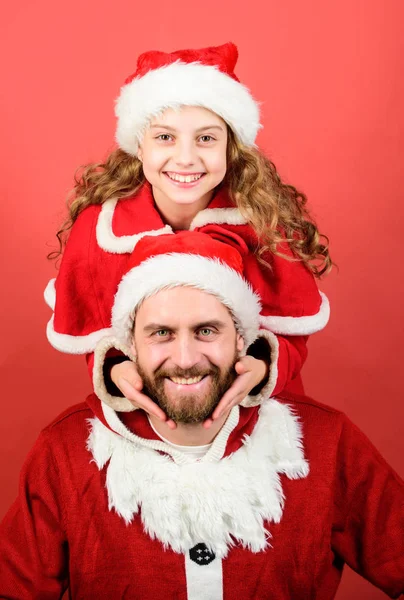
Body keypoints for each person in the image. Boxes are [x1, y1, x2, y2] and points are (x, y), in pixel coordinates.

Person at [2, 231, 403, 599]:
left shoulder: (325, 441)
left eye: (206, 331)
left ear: (242, 340)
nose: (185, 359)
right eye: (161, 333)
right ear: (129, 347)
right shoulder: (65, 451)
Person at [44, 41, 331, 428]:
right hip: (152, 416)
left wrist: (262, 368)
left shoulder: (265, 223)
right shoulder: (99, 231)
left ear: (231, 148)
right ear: (138, 147)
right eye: (165, 137)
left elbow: (293, 333)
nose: (185, 158)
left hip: (259, 419)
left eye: (206, 138)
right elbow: (92, 334)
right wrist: (113, 369)